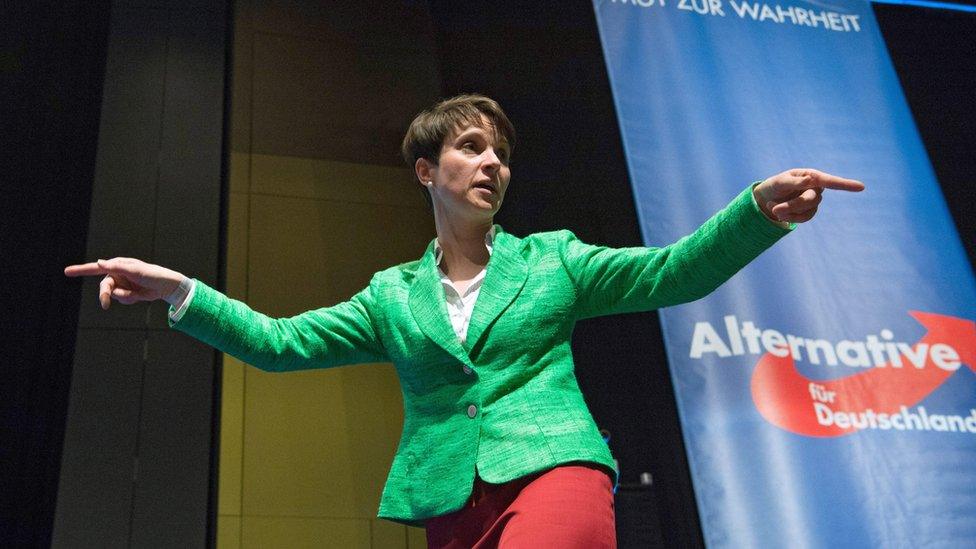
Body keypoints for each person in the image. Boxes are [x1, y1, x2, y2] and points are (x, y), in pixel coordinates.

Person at [65, 94, 864, 548]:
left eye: (501, 155)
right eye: (473, 148)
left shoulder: (554, 258)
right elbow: (278, 344)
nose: (492, 163)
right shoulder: (389, 294)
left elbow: (672, 271)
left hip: (557, 473)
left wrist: (756, 212)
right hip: (452, 506)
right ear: (426, 171)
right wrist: (180, 291)